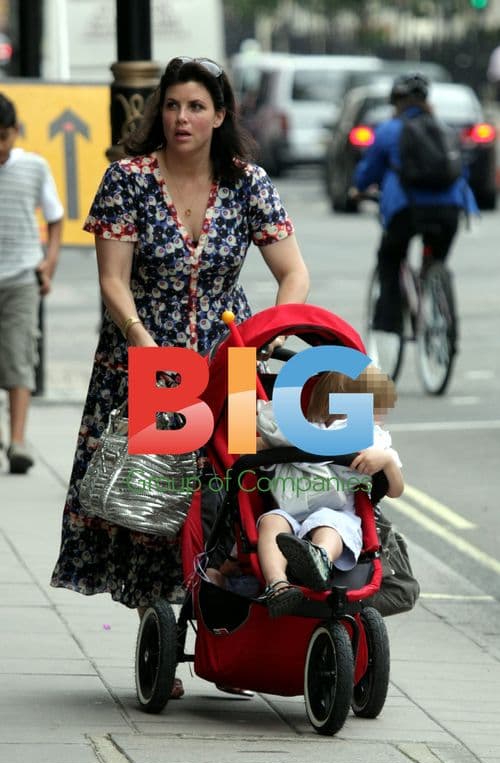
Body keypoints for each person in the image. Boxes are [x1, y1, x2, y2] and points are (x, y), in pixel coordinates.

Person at [50, 57, 310, 697]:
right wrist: (143, 344)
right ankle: (158, 628)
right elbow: (112, 279)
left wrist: (268, 333)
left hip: (231, 356)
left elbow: (292, 272)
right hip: (148, 357)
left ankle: (226, 627)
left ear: (220, 115)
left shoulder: (248, 182)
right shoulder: (128, 180)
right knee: (155, 499)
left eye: (196, 107)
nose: (182, 118)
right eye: (171, 106)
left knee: (235, 489)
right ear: (157, 113)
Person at [255, 366, 404, 617]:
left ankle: (318, 560)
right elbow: (250, 446)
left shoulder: (371, 440)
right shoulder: (297, 433)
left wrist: (387, 461)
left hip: (336, 511)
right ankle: (278, 585)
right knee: (270, 521)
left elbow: (396, 489)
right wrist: (267, 437)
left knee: (327, 526)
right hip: (291, 513)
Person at [352, 72, 477, 337]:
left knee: (389, 257)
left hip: (406, 210)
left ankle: (388, 323)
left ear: (396, 102)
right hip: (449, 211)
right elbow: (461, 172)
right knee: (436, 256)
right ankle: (436, 292)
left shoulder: (389, 130)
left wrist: (358, 190)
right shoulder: (445, 129)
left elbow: (367, 172)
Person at [0, 92, 64, 473]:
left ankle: (18, 440)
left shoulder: (35, 168)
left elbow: (55, 217)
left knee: (19, 358)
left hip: (22, 276)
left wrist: (50, 261)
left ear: (16, 132)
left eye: (4, 137)